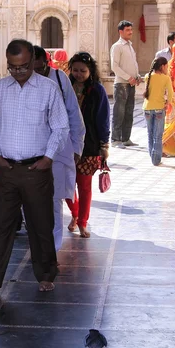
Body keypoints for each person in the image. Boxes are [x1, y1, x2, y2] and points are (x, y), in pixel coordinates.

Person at [0, 39, 69, 294]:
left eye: (23, 67)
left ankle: (46, 274)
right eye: (13, 68)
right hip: (7, 170)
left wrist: (47, 158)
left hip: (37, 169)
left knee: (41, 225)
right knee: (1, 224)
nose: (18, 72)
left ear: (33, 61)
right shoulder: (0, 89)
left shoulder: (48, 89)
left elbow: (61, 126)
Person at [33, 45, 85, 251]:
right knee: (33, 202)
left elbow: (74, 113)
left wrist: (77, 148)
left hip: (59, 149)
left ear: (46, 63)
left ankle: (51, 250)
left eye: (39, 68)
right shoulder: (22, 80)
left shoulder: (60, 79)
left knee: (54, 200)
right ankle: (39, 243)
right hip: (31, 150)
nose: (35, 73)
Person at [65, 52, 110, 238]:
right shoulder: (64, 88)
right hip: (65, 144)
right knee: (66, 184)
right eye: (75, 70)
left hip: (89, 145)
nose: (78, 74)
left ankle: (83, 222)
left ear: (90, 71)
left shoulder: (98, 91)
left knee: (84, 186)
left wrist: (104, 145)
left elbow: (103, 119)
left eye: (82, 71)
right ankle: (75, 213)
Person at [110, 20, 140, 149]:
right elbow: (114, 66)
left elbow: (132, 63)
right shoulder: (117, 46)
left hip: (131, 84)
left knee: (129, 111)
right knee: (119, 112)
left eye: (131, 30)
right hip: (122, 84)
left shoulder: (129, 45)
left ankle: (126, 138)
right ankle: (115, 139)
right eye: (128, 30)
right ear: (120, 31)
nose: (130, 32)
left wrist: (137, 76)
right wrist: (128, 77)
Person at [143, 57, 174, 166]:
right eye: (167, 66)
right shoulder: (165, 78)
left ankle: (153, 157)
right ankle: (156, 160)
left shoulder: (147, 76)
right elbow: (170, 94)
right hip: (159, 109)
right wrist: (167, 103)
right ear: (162, 66)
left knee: (150, 134)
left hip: (147, 108)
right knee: (158, 135)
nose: (167, 68)